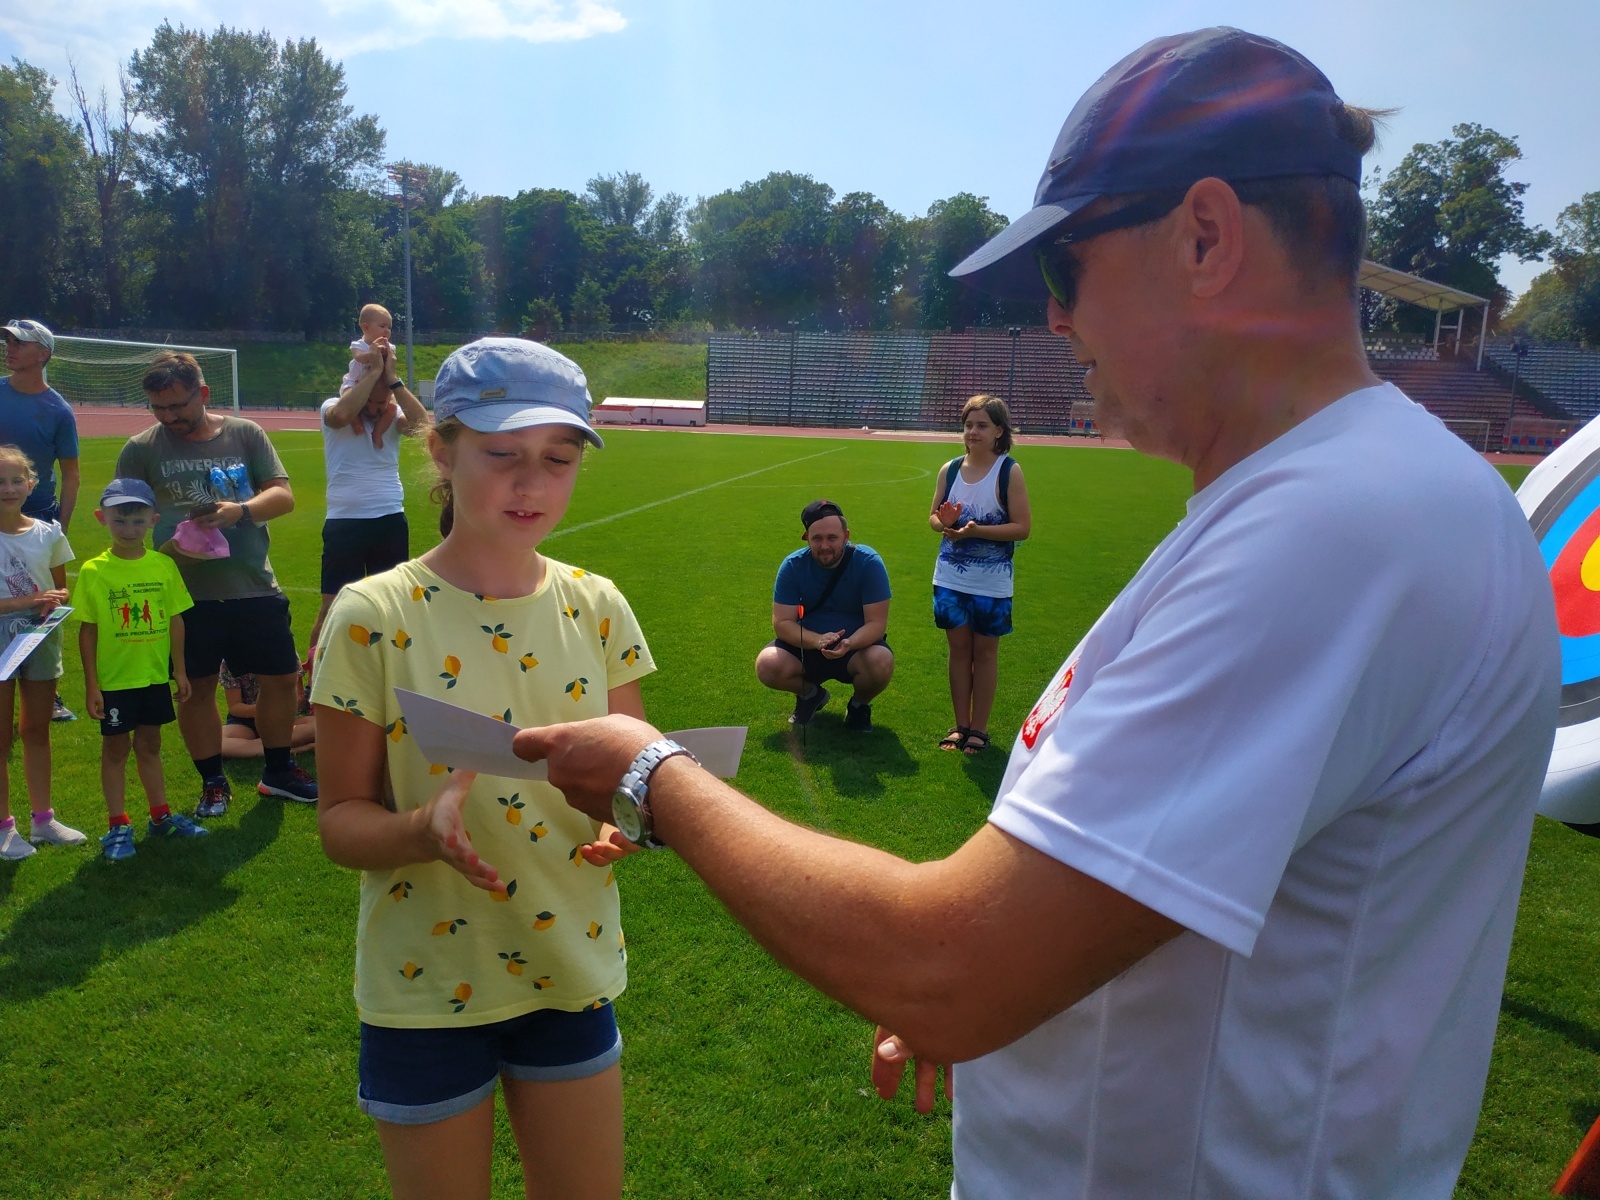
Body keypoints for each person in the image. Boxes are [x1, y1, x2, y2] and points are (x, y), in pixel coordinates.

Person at [515, 27, 1561, 1198]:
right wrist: (1027, 1000)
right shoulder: (1337, 501)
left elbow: (949, 967)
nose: (1055, 320)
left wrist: (650, 772)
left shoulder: (1337, 528)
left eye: (1064, 269)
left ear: (1204, 237)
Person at [312, 337, 655, 1200]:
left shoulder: (598, 605)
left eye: (558, 459)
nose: (531, 484)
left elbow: (631, 773)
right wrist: (420, 830)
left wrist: (624, 820)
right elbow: (340, 823)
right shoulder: (372, 614)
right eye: (503, 455)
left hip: (569, 970)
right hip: (423, 990)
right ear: (442, 449)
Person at [116, 351, 317, 817]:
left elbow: (282, 496)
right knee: (197, 687)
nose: (169, 418)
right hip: (184, 596)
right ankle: (212, 783)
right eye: (158, 408)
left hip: (253, 584)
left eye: (177, 406)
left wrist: (239, 511)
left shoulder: (245, 434)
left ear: (203, 394)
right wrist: (164, 552)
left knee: (281, 679)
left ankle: (279, 772)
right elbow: (124, 516)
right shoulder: (140, 448)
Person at [73, 478, 203, 862]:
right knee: (116, 749)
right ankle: (117, 825)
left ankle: (160, 816)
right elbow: (88, 630)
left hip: (153, 676)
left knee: (150, 745)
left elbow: (176, 619)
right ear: (102, 518)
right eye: (120, 520)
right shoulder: (95, 571)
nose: (129, 529)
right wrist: (92, 685)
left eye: (138, 521)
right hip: (116, 680)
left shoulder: (163, 565)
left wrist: (179, 671)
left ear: (153, 520)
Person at [305, 305, 428, 661]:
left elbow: (424, 428)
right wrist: (373, 373)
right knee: (332, 607)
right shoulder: (334, 406)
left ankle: (384, 672)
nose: (377, 409)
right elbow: (343, 414)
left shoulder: (392, 412)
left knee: (389, 606)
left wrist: (393, 381)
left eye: (382, 402)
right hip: (345, 521)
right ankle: (313, 675)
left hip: (389, 518)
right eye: (372, 402)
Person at [928, 395, 1031, 755]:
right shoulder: (950, 470)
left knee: (984, 654)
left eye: (982, 425)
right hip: (949, 579)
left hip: (991, 582)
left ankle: (980, 729)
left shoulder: (1008, 471)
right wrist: (945, 522)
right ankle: (960, 726)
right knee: (958, 652)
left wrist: (975, 531)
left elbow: (1022, 528)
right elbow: (933, 518)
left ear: (999, 431)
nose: (973, 431)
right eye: (969, 424)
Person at [0, 444, 83, 859]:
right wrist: (26, 601)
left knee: (36, 729)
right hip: (3, 638)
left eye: (16, 480)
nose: (8, 488)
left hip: (40, 636)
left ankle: (43, 820)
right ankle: (3, 827)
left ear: (31, 484)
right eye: (0, 481)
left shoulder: (48, 533)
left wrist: (52, 600)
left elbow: (61, 587)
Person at [2, 318, 82, 722]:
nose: (10, 347)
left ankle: (45, 693)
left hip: (36, 517)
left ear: (43, 354)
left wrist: (59, 528)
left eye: (20, 343)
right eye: (9, 341)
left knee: (43, 605)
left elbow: (71, 473)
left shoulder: (58, 410)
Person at [754, 499, 893, 732]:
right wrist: (817, 640)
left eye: (832, 538)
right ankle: (810, 695)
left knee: (881, 661)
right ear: (806, 538)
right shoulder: (793, 566)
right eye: (817, 538)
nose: (825, 546)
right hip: (807, 647)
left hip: (856, 649)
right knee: (767, 665)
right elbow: (782, 623)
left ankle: (859, 706)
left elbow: (877, 623)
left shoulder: (868, 562)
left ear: (846, 536)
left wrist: (849, 643)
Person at [220, 660, 315, 759]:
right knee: (217, 741)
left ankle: (251, 747)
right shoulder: (231, 660)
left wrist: (284, 708)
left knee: (317, 724)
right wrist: (268, 708)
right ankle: (293, 749)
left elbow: (299, 697)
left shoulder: (286, 655)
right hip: (245, 722)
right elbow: (235, 707)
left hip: (281, 720)